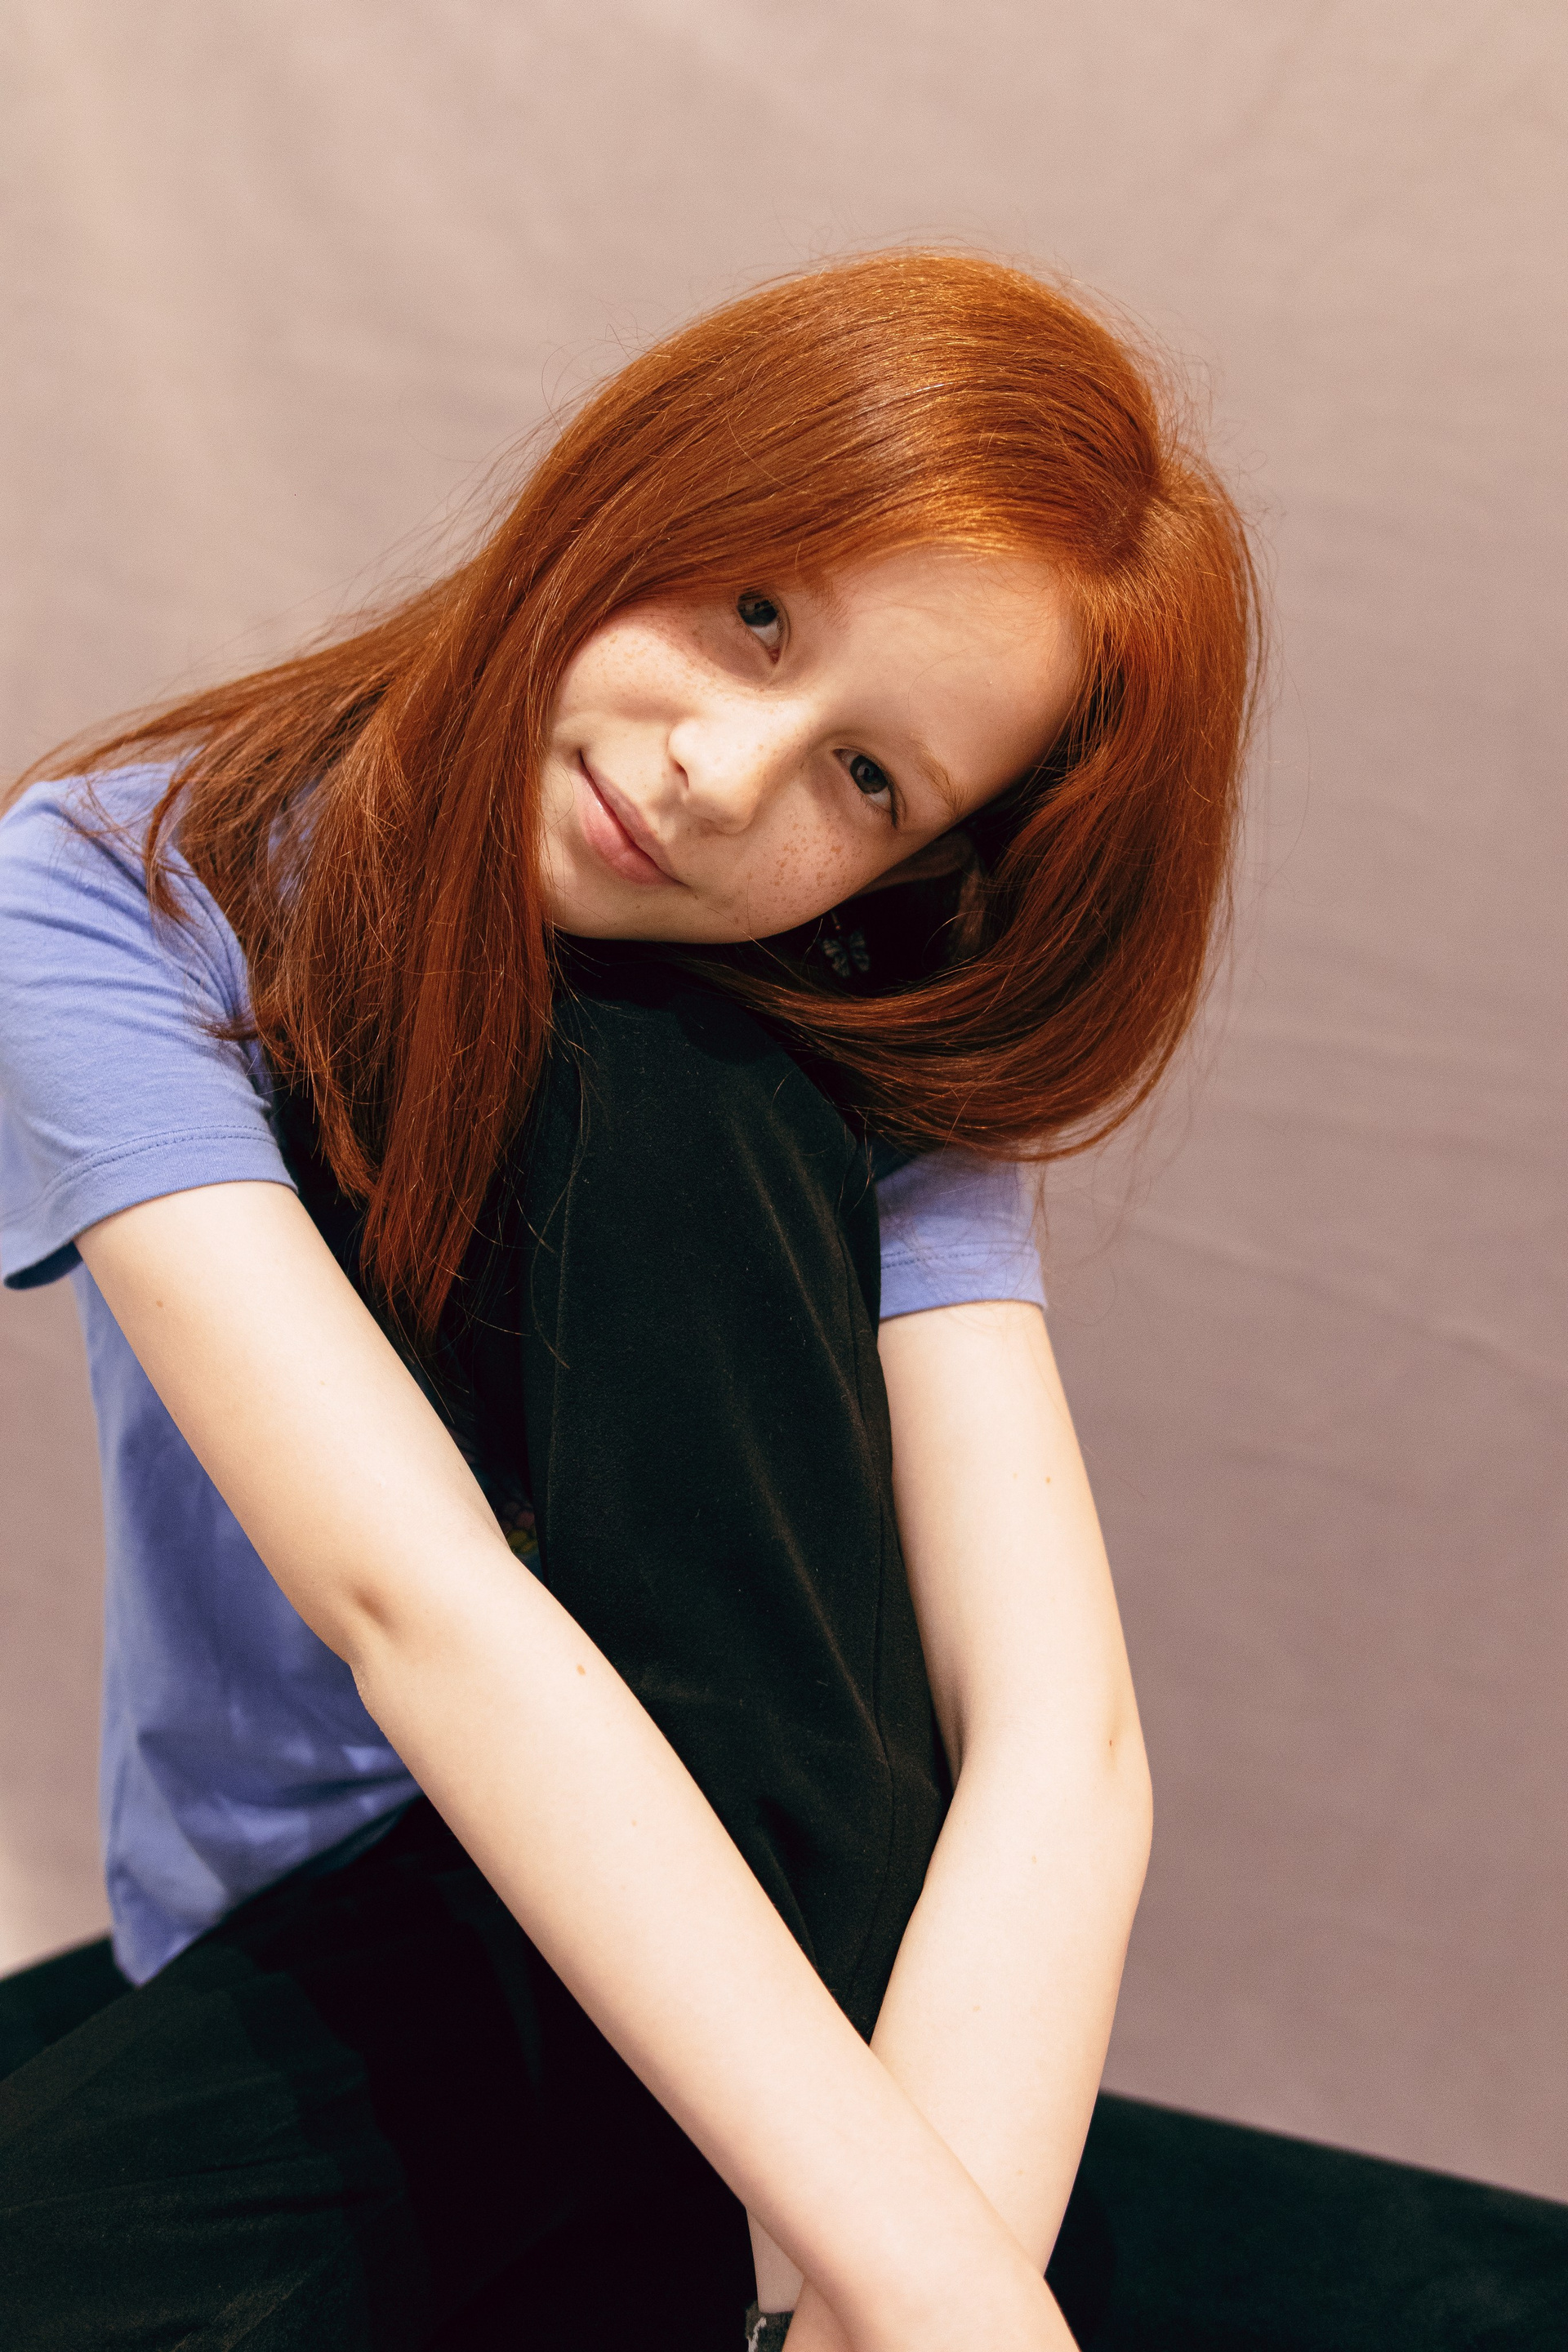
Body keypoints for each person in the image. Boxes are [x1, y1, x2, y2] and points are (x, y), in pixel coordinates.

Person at [0, 252, 1258, 2350]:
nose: (722, 776)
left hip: (774, 1890)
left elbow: (1061, 1734)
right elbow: (422, 1604)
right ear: (644, 483)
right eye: (755, 611)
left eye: (870, 781)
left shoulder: (839, 1028)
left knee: (671, 1066)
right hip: (334, 1909)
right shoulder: (129, 886)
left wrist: (924, 2311)